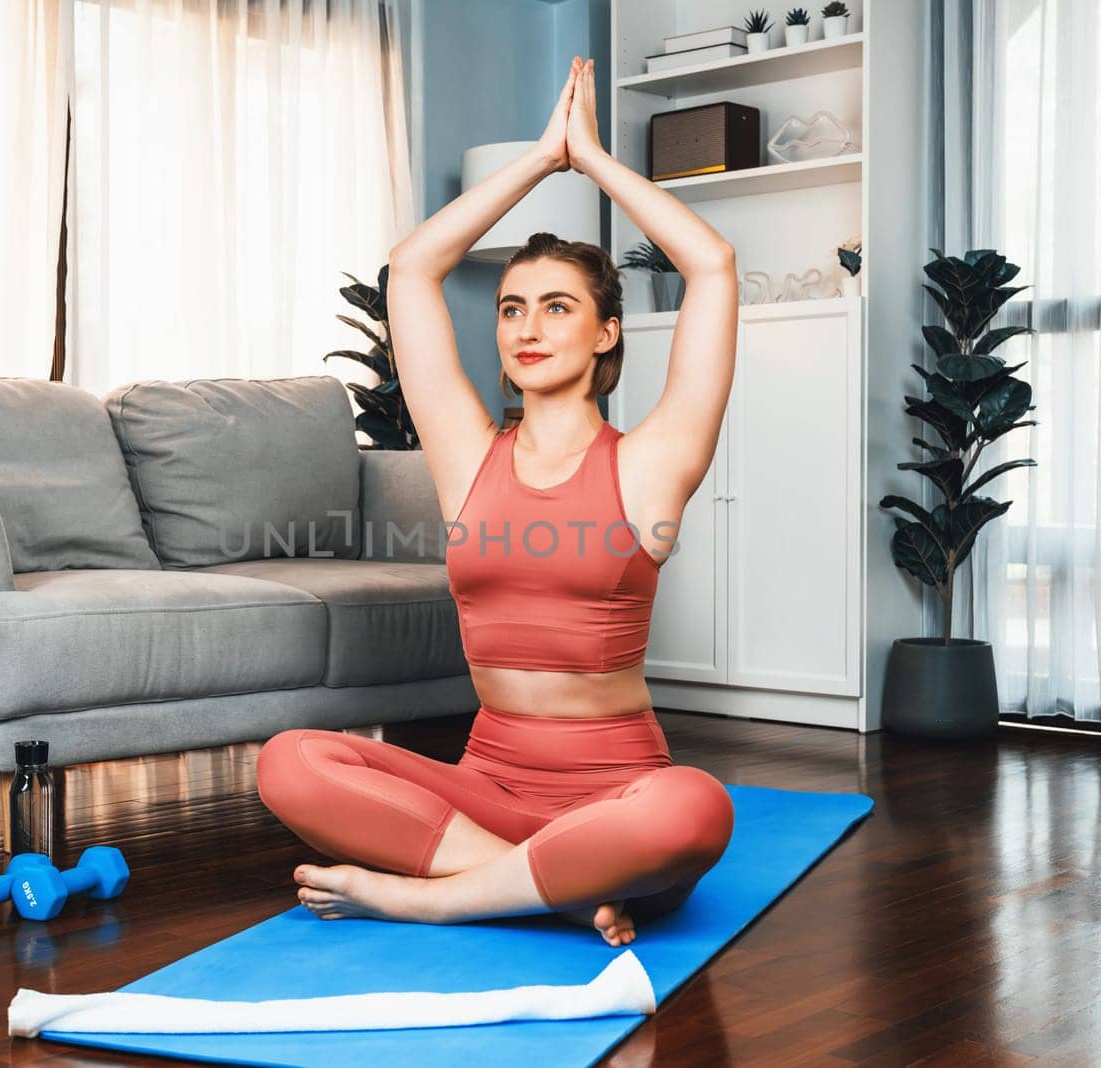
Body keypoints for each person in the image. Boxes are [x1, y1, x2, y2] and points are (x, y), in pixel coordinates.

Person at [255, 56, 740, 947]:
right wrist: (537, 162)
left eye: (559, 308)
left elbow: (711, 264)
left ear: (606, 334)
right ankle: (530, 888)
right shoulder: (470, 460)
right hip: (485, 792)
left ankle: (434, 894)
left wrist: (590, 160)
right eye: (513, 307)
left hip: (613, 801)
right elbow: (411, 271)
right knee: (291, 762)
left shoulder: (649, 466)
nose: (527, 326)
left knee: (694, 812)